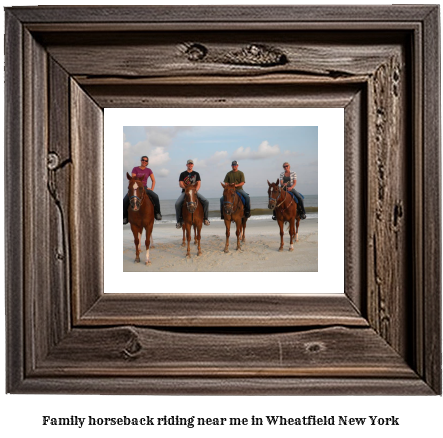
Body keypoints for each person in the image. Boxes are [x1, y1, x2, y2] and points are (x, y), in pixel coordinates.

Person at [123, 156, 162, 224]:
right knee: (125, 200)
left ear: (147, 163)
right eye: (143, 160)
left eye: (146, 161)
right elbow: (134, 179)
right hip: (136, 188)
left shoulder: (149, 170)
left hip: (144, 188)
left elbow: (153, 180)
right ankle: (125, 217)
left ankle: (157, 213)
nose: (144, 161)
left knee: (156, 196)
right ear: (141, 161)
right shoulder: (135, 169)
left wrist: (152, 189)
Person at [175, 159, 210, 228]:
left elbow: (199, 184)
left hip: (194, 192)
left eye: (191, 164)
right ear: (186, 165)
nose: (190, 165)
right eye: (189, 164)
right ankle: (179, 221)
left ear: (193, 165)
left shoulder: (196, 174)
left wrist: (195, 190)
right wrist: (186, 188)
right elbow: (181, 184)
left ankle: (205, 219)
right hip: (186, 192)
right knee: (177, 204)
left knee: (206, 201)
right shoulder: (183, 174)